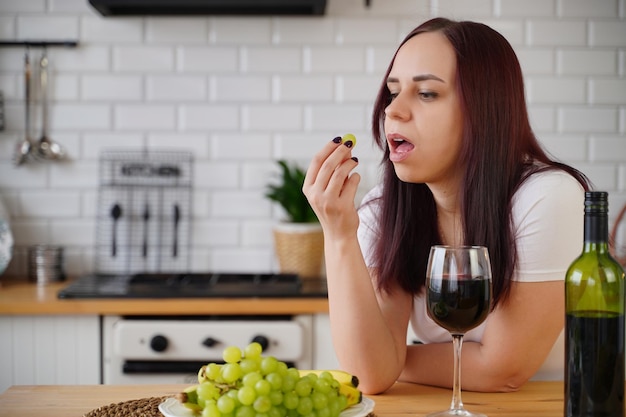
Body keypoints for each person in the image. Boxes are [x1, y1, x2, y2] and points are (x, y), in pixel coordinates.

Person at [302, 17, 590, 394]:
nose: (393, 111)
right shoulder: (381, 210)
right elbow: (369, 376)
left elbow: (504, 370)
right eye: (393, 92)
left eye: (426, 94)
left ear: (483, 109)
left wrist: (392, 358)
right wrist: (339, 235)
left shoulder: (547, 197)